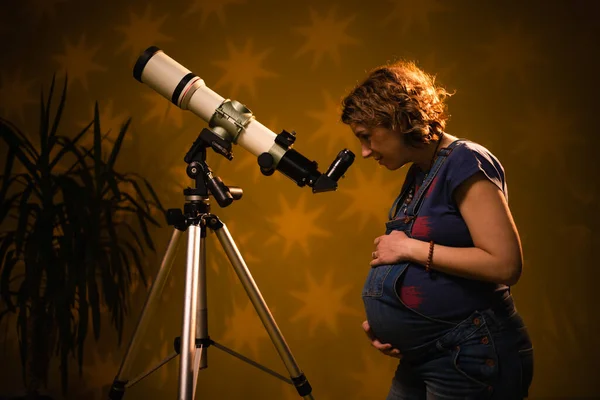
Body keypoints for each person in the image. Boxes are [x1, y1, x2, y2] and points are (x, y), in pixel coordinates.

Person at [340, 61, 534, 399]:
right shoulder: (420, 171)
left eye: (367, 137)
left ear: (397, 119)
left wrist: (407, 249)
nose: (365, 151)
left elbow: (505, 264)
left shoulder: (465, 161)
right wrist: (398, 326)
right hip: (428, 354)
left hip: (472, 355)